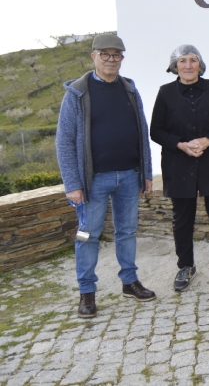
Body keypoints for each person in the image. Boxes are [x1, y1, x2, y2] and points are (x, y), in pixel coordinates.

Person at [56, 33, 155, 318]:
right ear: (94, 56)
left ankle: (129, 282)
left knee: (127, 232)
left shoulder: (129, 90)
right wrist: (72, 184)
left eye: (117, 55)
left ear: (122, 58)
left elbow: (141, 134)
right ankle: (87, 292)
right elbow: (64, 141)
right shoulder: (77, 93)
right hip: (92, 181)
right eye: (106, 54)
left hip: (128, 175)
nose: (111, 59)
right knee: (88, 235)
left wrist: (145, 172)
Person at [150, 45, 209, 291]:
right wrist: (181, 145)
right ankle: (185, 266)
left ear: (200, 64)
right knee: (182, 219)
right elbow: (155, 130)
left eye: (193, 60)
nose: (188, 65)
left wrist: (207, 141)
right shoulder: (165, 93)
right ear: (174, 66)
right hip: (179, 163)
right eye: (182, 61)